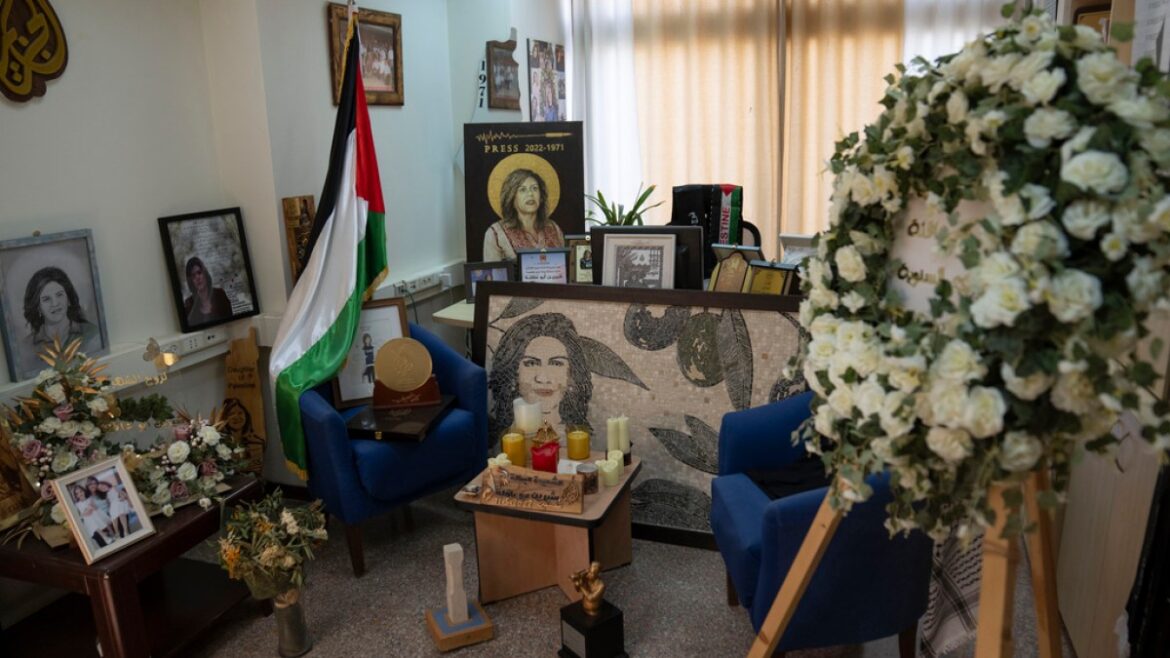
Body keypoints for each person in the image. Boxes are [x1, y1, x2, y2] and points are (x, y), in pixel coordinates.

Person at [488, 313, 592, 441]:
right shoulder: (501, 443)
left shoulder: (579, 439)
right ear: (513, 372)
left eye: (556, 363)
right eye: (531, 363)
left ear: (571, 373)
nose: (543, 378)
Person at [18, 266, 102, 375]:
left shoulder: (91, 333)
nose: (55, 303)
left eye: (59, 295)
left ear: (68, 299)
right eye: (46, 299)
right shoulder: (27, 347)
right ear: (37, 307)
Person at [482, 168, 565, 261]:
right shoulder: (496, 234)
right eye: (522, 190)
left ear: (541, 197)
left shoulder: (554, 228)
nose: (530, 194)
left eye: (534, 188)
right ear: (512, 197)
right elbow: (493, 270)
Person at [183, 256, 232, 326]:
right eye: (193, 276)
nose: (197, 277)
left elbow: (231, 321)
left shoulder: (220, 294)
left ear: (205, 274)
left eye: (199, 272)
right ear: (191, 281)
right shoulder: (189, 304)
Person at [223, 397, 264, 475]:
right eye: (231, 414)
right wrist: (240, 468)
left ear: (246, 416)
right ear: (224, 418)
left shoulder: (257, 443)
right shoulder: (220, 445)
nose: (236, 417)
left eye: (240, 413)